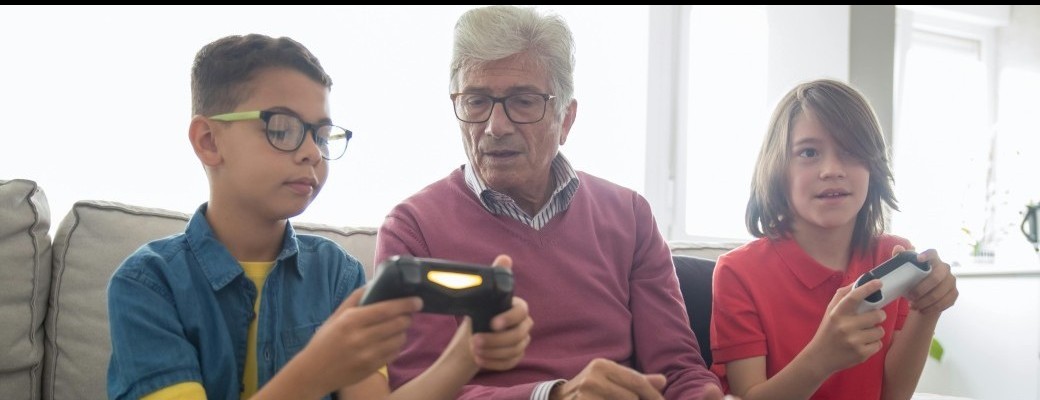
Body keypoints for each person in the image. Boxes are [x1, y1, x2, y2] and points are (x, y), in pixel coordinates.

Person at [106, 33, 532, 400]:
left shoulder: (337, 274)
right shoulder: (149, 283)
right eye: (282, 129)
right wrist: (317, 369)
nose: (312, 152)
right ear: (208, 141)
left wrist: (465, 356)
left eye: (322, 135)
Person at [375, 6, 724, 400]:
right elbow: (416, 389)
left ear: (566, 119)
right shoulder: (412, 229)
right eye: (476, 101)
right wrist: (552, 396)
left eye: (523, 101)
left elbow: (678, 372)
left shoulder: (630, 216)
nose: (495, 126)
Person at [709, 78, 959, 399]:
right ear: (778, 168)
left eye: (850, 151)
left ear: (872, 167)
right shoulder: (738, 272)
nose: (831, 169)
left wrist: (927, 309)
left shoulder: (891, 255)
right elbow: (747, 395)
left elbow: (893, 394)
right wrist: (822, 358)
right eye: (809, 152)